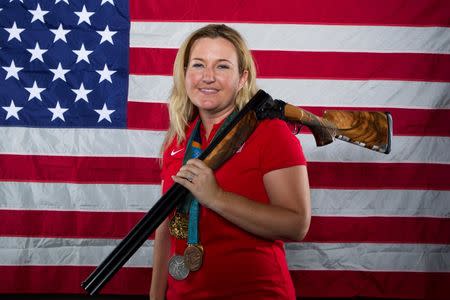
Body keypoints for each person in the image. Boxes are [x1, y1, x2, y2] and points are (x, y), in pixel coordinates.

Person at [150, 24, 311, 300]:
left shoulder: (271, 132)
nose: (208, 77)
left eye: (222, 67)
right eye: (198, 65)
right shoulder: (179, 139)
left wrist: (216, 197)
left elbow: (297, 224)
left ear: (242, 78)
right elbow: (165, 226)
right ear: (185, 74)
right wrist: (155, 296)